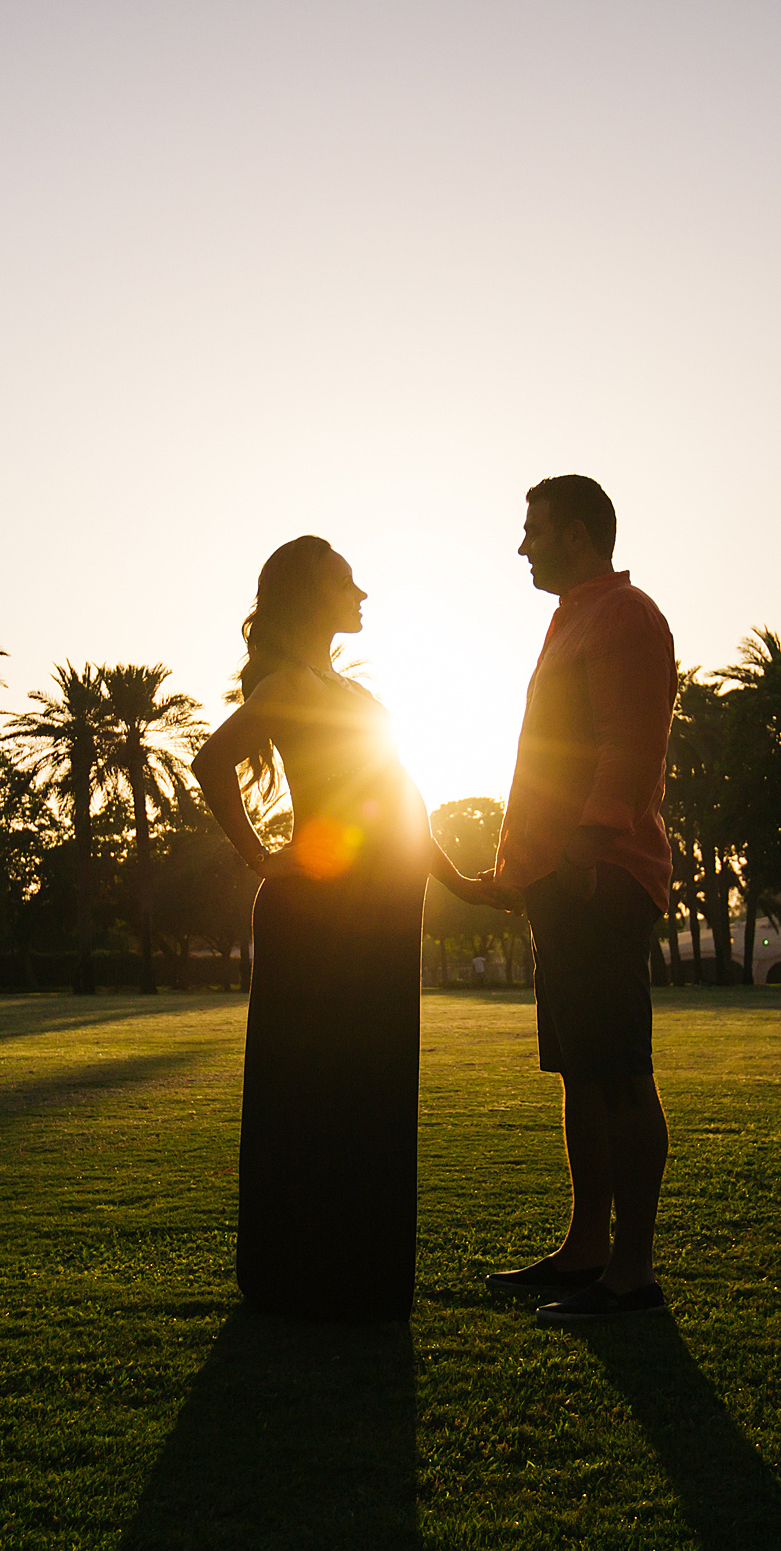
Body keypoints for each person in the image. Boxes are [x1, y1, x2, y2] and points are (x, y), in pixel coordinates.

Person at [192, 536, 496, 1321]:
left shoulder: (352, 692)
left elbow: (402, 792)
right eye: (346, 581)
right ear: (310, 596)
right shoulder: (292, 682)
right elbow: (212, 761)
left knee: (374, 1086)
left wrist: (459, 879)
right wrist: (262, 857)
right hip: (321, 917)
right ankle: (298, 1274)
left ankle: (364, 1271)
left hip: (384, 913)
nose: (363, 593)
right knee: (315, 1091)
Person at [471, 475, 679, 1325]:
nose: (522, 545)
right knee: (580, 1074)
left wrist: (590, 845)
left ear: (579, 534)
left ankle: (631, 1277)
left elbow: (631, 738)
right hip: (559, 878)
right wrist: (521, 867)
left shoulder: (625, 616)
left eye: (534, 529)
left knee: (620, 1073)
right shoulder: (574, 619)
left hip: (600, 874)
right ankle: (588, 1248)